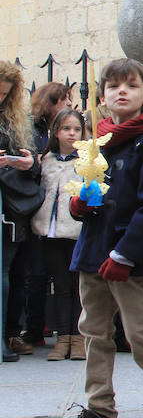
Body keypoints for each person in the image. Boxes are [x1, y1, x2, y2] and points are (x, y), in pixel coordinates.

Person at [66, 58, 143, 418]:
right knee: (93, 331)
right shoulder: (96, 144)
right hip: (93, 251)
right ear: (102, 97)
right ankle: (99, 408)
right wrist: (80, 204)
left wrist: (126, 254)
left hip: (128, 256)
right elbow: (88, 196)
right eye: (114, 86)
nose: (122, 91)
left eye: (132, 86)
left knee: (139, 334)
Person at [9, 82, 73, 354]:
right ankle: (33, 328)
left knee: (54, 275)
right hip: (34, 210)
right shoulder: (32, 130)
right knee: (35, 272)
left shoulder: (54, 133)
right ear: (53, 101)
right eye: (65, 100)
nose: (69, 105)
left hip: (58, 215)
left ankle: (56, 331)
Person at [31, 108, 86, 361]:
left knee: (78, 286)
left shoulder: (87, 158)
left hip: (76, 230)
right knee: (61, 285)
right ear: (56, 132)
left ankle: (78, 338)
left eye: (76, 129)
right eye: (66, 128)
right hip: (50, 230)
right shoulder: (47, 159)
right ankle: (63, 338)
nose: (71, 133)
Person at [0, 60, 40, 363]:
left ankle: (8, 334)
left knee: (12, 272)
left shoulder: (16, 121)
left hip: (12, 207)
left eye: (4, 94)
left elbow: (35, 165)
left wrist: (28, 164)